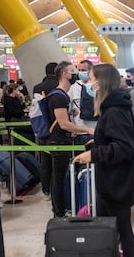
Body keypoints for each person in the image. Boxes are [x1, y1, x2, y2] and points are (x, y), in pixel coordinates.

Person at [72, 64, 134, 257]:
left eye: (92, 79)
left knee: (121, 231)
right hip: (114, 181)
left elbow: (124, 148)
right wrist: (101, 141)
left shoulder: (114, 111)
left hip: (116, 183)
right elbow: (120, 139)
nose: (89, 83)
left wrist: (94, 154)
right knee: (113, 231)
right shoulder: (115, 107)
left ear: (101, 82)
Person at [47, 61, 94, 218]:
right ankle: (59, 213)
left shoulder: (62, 96)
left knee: (59, 176)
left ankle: (60, 209)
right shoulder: (59, 96)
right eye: (72, 71)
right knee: (58, 178)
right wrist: (86, 129)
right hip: (58, 142)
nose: (75, 74)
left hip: (63, 140)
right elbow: (63, 124)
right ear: (64, 74)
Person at [33, 62, 59, 200]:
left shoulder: (38, 87)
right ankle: (58, 189)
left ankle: (46, 190)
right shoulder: (61, 86)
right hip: (59, 126)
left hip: (43, 127)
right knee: (59, 160)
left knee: (45, 160)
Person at [68, 60, 97, 145]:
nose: (80, 73)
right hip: (80, 130)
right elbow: (68, 107)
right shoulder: (73, 87)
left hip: (96, 130)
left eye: (83, 70)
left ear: (91, 70)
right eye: (79, 70)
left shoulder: (99, 86)